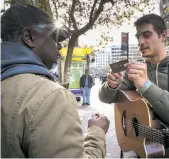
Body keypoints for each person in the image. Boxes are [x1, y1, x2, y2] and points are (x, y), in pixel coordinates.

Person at [1, 4, 110, 158]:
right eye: (54, 38)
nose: (59, 46)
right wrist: (96, 132)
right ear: (29, 37)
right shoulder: (50, 96)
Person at [99, 14, 169, 157]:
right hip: (143, 152)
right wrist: (111, 85)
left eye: (146, 35)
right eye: (138, 37)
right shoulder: (135, 71)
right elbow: (106, 98)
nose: (140, 41)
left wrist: (146, 86)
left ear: (163, 35)